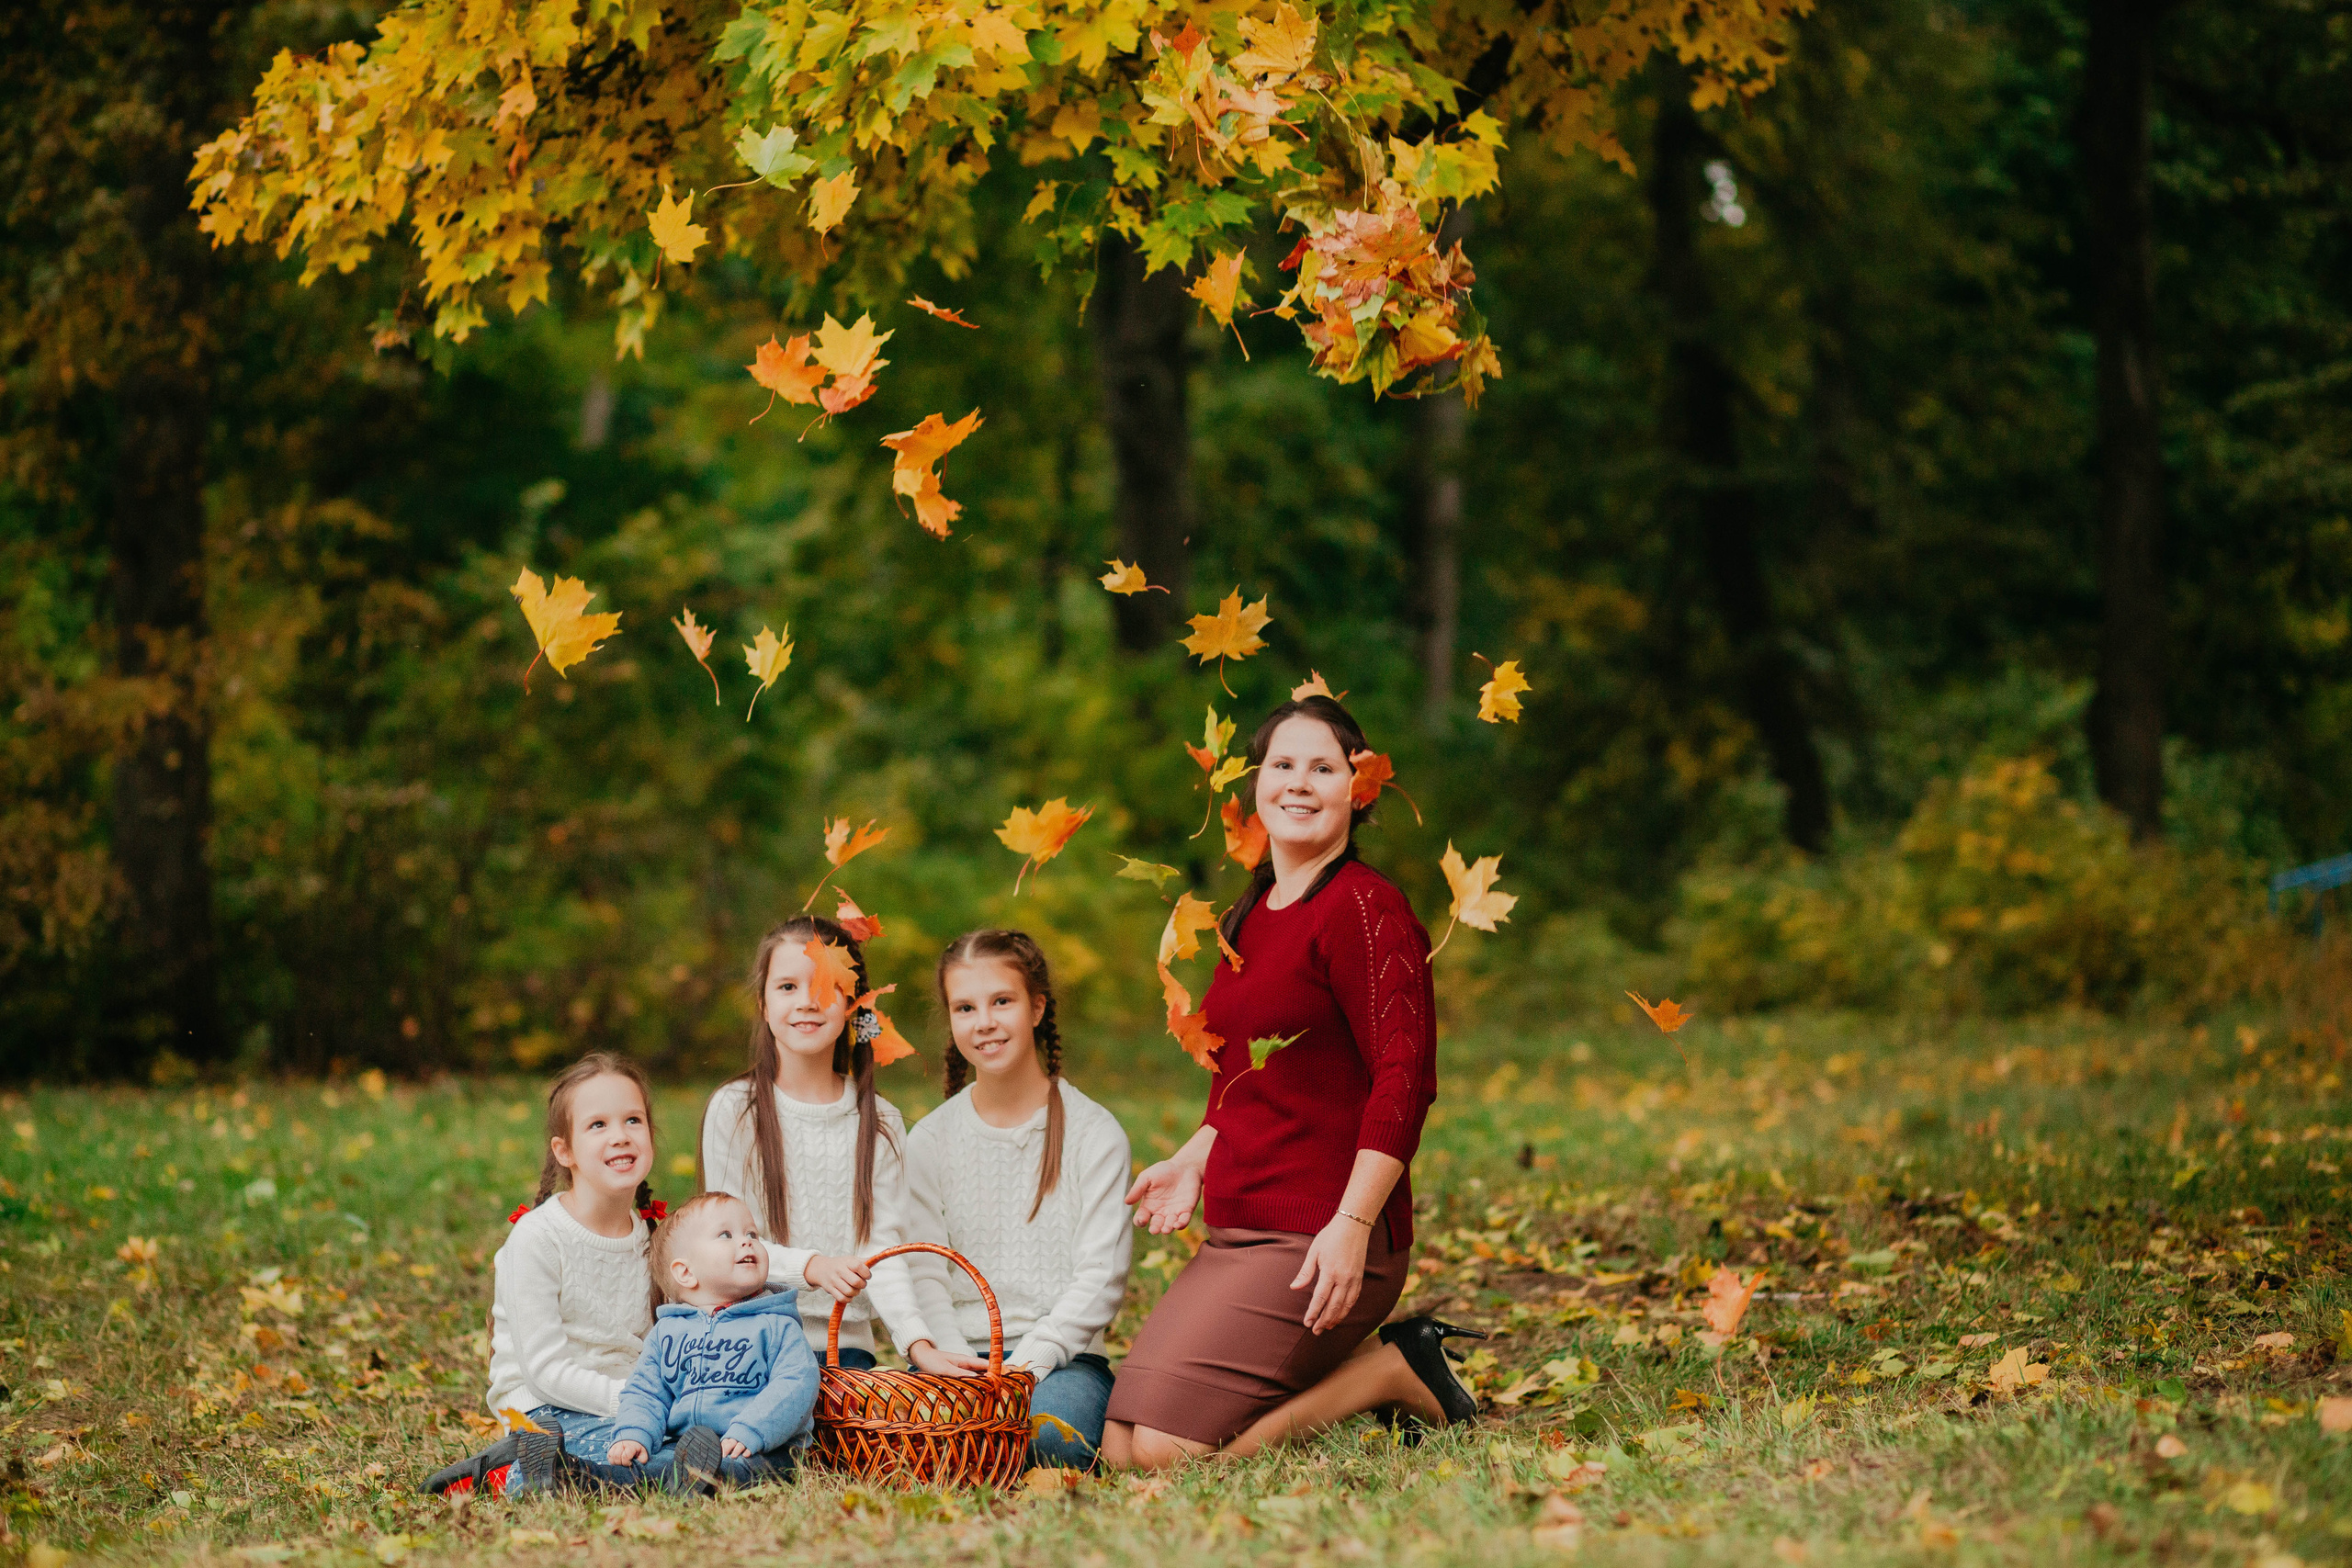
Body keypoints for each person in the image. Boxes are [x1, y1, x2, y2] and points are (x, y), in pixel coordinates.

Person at [1102, 694, 1483, 1469]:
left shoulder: (1365, 909)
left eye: (1324, 767)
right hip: (1240, 1230)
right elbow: (1247, 1080)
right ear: (1257, 785)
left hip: (1327, 1235)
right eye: (1283, 764)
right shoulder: (1251, 913)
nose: (1300, 782)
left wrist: (1351, 1224)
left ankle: (1389, 1372)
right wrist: (1192, 1158)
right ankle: (1366, 1368)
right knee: (1117, 1446)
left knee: (1169, 1453)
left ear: (1359, 787)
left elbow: (1405, 1084)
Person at [902, 931, 1132, 1469]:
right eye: (965, 1007)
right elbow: (925, 1271)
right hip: (956, 1356)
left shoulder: (1094, 1134)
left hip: (1060, 1362)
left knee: (1048, 1439)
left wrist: (1027, 1366)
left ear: (1037, 1008)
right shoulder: (929, 1140)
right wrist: (956, 1365)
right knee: (922, 1440)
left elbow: (1100, 1276)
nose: (984, 1021)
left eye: (1001, 1001)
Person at [699, 915, 960, 1373]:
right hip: (745, 1340)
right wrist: (812, 1267)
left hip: (844, 1349)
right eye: (787, 987)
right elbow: (722, 1242)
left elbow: (882, 1249)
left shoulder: (879, 1121)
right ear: (762, 1003)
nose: (807, 1002)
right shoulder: (735, 1109)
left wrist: (918, 1344)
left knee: (841, 1435)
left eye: (826, 986)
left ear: (854, 1004)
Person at [423, 1052, 663, 1497]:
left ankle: (613, 1474)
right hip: (543, 1405)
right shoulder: (538, 1238)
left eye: (633, 1120)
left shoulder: (655, 1237)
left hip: (629, 1403)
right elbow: (546, 1371)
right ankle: (512, 1471)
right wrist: (640, 1403)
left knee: (713, 1437)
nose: (620, 1137)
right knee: (641, 1450)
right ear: (564, 1151)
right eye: (598, 1125)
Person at [526, 1192, 819, 1494]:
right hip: (685, 1447)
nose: (747, 1242)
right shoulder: (668, 1332)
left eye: (752, 1234)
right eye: (725, 1235)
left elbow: (796, 1382)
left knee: (734, 1469)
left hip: (759, 1449)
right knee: (646, 1467)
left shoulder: (776, 1324)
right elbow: (646, 1391)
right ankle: (571, 1476)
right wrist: (634, 1434)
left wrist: (752, 1431)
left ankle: (695, 1483)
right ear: (686, 1272)